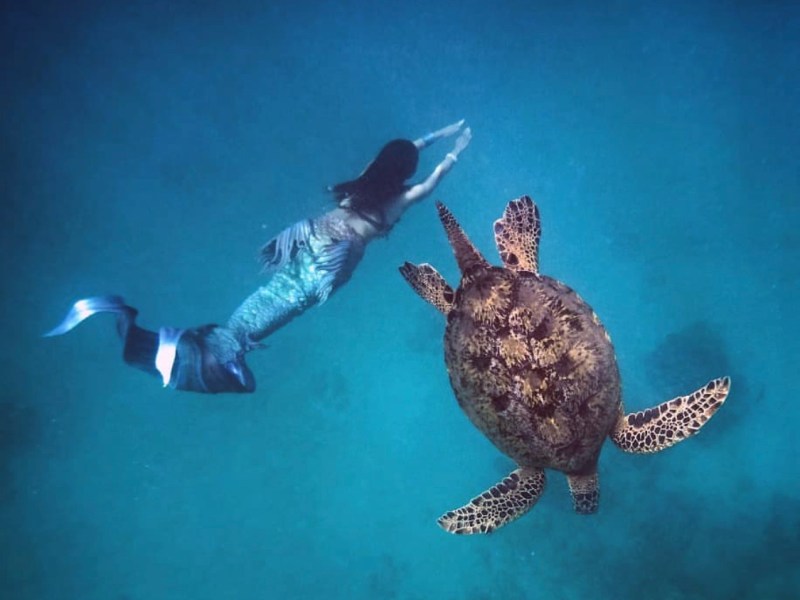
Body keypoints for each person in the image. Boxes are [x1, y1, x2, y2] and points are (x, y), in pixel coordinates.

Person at [45, 120, 472, 394]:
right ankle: (204, 356)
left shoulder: (366, 179)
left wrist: (441, 134)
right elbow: (430, 182)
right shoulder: (393, 199)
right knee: (287, 302)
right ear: (402, 174)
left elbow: (404, 151)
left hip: (314, 236)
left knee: (273, 291)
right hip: (331, 261)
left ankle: (194, 347)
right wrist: (458, 148)